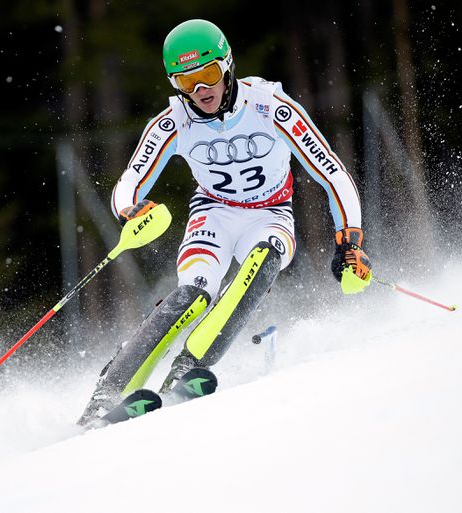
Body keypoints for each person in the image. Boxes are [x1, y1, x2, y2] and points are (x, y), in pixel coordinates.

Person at [77, 18, 371, 426]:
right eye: (186, 82)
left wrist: (349, 241)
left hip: (270, 214)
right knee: (195, 292)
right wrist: (130, 210)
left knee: (263, 259)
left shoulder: (270, 106)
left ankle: (185, 370)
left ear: (228, 65)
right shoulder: (174, 121)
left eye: (209, 75)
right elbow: (129, 182)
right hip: (212, 213)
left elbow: (331, 172)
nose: (201, 91)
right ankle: (105, 396)